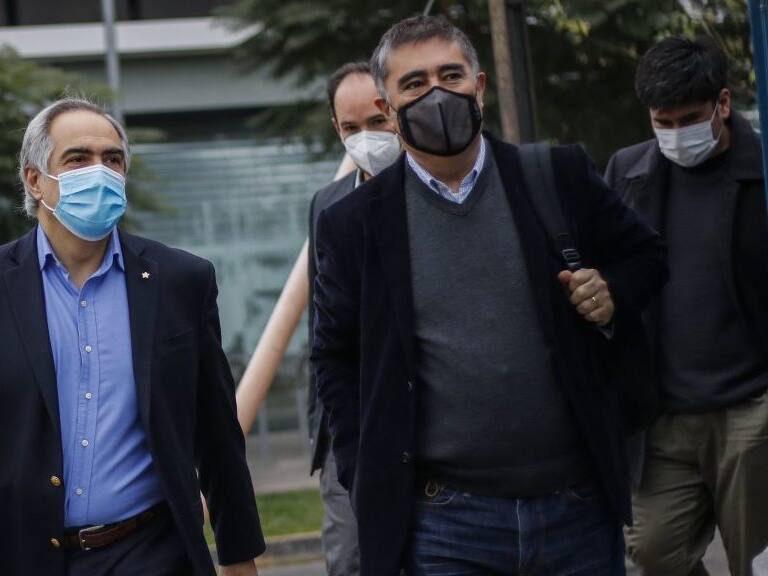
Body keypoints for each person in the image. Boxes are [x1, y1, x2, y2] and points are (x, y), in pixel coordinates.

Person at [311, 15, 667, 576]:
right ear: (387, 106)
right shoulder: (353, 224)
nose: (435, 93)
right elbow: (334, 356)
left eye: (450, 75)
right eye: (414, 83)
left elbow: (647, 256)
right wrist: (366, 467)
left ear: (479, 86)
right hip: (445, 521)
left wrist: (611, 291)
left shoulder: (555, 175)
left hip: (576, 507)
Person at [0, 97, 264, 576]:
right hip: (23, 553)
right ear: (35, 180)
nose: (99, 171)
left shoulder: (180, 280)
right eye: (77, 158)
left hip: (149, 550)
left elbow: (216, 430)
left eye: (112, 159)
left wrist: (238, 555)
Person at [606, 37, 768, 576]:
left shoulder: (762, 170)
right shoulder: (627, 173)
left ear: (723, 104)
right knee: (652, 550)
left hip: (751, 409)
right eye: (662, 121)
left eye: (689, 118)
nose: (676, 134)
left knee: (761, 560)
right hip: (663, 418)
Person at [308, 61, 401, 576]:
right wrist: (320, 428)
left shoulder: (436, 190)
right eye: (350, 127)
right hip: (347, 429)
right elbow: (321, 323)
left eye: (377, 121)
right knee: (348, 561)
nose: (366, 137)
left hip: (426, 424)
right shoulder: (327, 205)